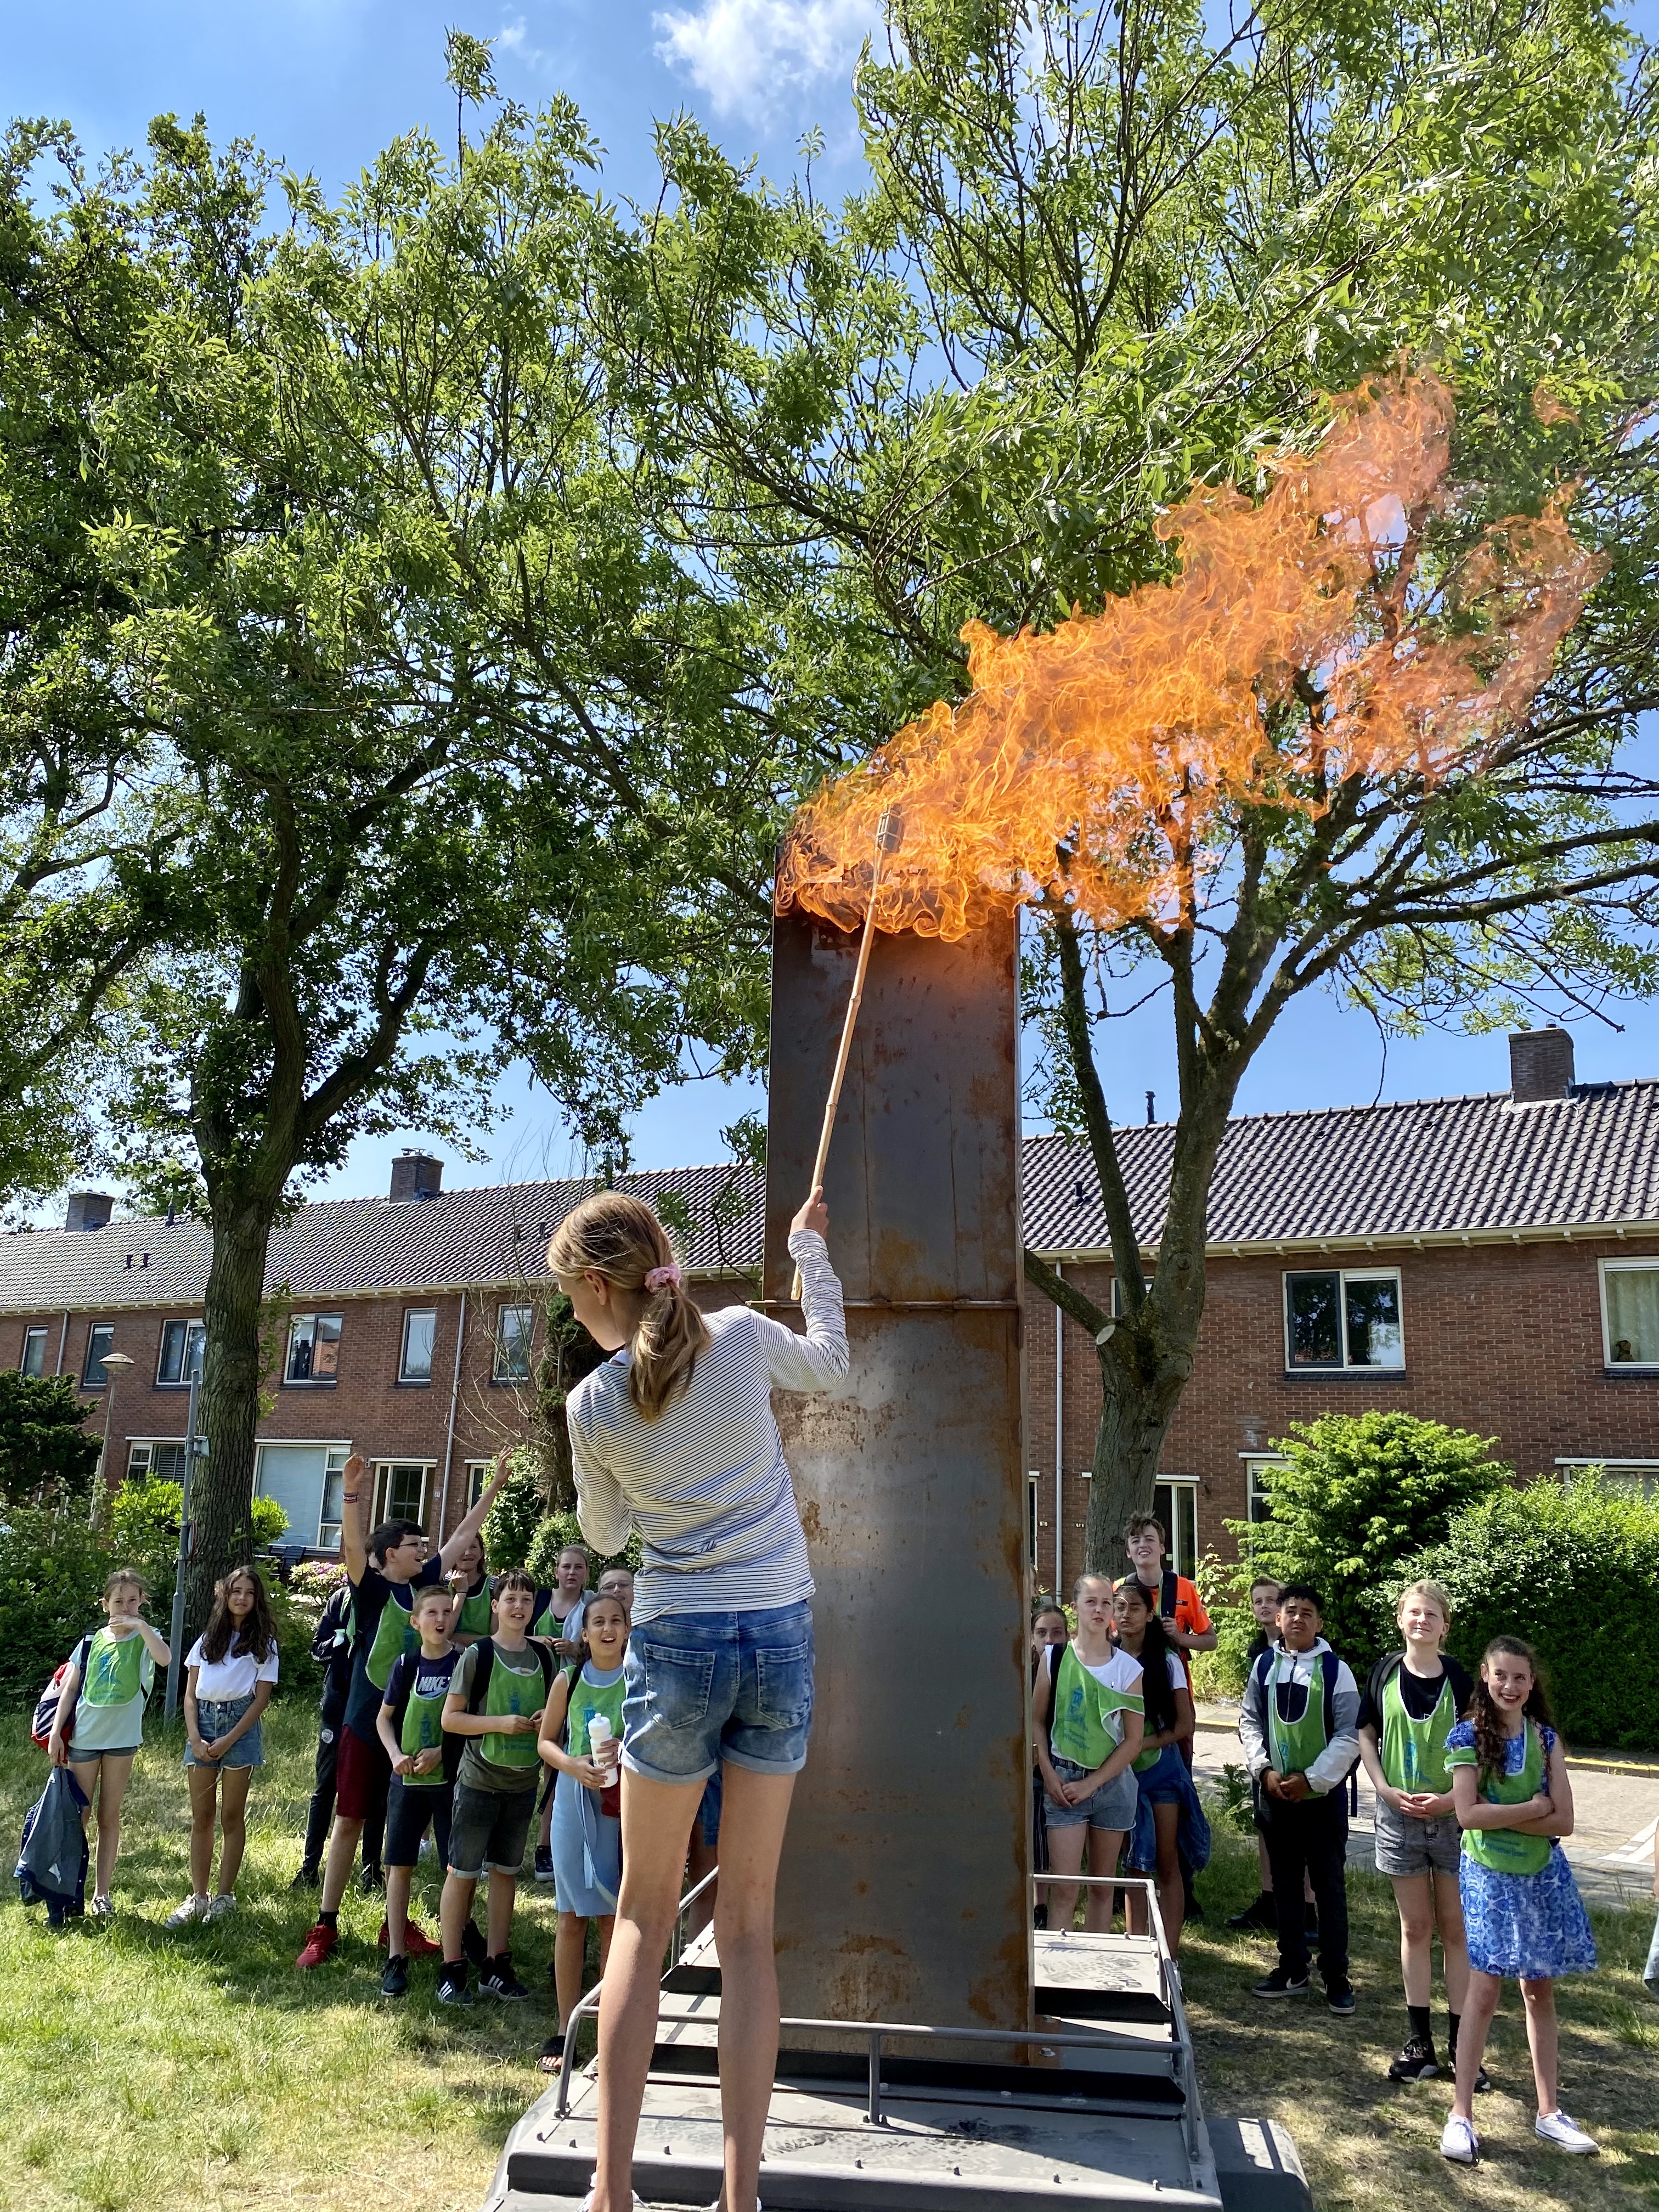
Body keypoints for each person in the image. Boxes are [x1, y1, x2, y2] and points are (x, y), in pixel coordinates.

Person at [548, 1183, 848, 2212]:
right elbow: (835, 1368)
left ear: (597, 1283)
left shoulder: (590, 1405)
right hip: (776, 1633)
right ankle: (737, 2197)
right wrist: (810, 1254)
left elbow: (597, 1538)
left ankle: (611, 2191)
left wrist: (611, 1467)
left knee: (640, 1916)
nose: (572, 1316)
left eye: (570, 1298)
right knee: (750, 1923)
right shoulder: (743, 1336)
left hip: (674, 1641)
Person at [294, 1449, 507, 1970]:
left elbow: (462, 1536)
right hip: (365, 1725)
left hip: (420, 1735)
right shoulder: (370, 1586)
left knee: (408, 1832)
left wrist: (495, 1486)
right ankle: (325, 1924)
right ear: (390, 1554)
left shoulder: (422, 1585)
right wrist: (350, 1493)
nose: (425, 1551)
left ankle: (401, 1924)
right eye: (414, 1546)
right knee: (348, 1821)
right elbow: (351, 1544)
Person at [1439, 1637, 1598, 2166]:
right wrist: (1533, 1807)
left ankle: (1549, 2112)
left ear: (1532, 1685)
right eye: (1501, 1676)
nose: (1510, 1686)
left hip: (1540, 1876)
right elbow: (1466, 1816)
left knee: (1538, 1991)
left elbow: (1566, 1822)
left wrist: (1502, 1809)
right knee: (1483, 1993)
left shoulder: (1546, 1738)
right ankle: (1460, 2113)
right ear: (1485, 1676)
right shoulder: (1465, 1737)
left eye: (1520, 1678)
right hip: (1488, 1875)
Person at [1357, 1580, 1478, 2085]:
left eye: (1432, 1614)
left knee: (1455, 1930)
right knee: (1414, 1929)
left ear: (1444, 1625)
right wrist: (1383, 1789)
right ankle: (1419, 2041)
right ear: (1400, 1620)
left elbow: (1480, 1744)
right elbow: (1366, 1733)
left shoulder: (1460, 1679)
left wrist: (1453, 1800)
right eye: (1414, 1612)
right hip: (1398, 1816)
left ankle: (1461, 2045)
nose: (1422, 1620)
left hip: (1451, 1819)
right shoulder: (1384, 1671)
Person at [1240, 1583, 1360, 2013]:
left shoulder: (1336, 1671)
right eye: (1291, 1610)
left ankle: (1336, 1977)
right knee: (1285, 1885)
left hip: (1321, 1800)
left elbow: (1350, 1735)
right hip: (1275, 1796)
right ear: (1278, 1619)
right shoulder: (1263, 1666)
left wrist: (1312, 1780)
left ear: (1319, 1623)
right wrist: (1265, 1772)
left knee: (1328, 1887)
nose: (1298, 1618)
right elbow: (1249, 1720)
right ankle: (1292, 1967)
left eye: (1308, 1612)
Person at [437, 1567, 554, 2005]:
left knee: (506, 1874)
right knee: (463, 1874)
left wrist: (548, 1721)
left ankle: (496, 1965)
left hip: (523, 1783)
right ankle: (452, 1969)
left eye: (526, 1600)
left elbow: (556, 1717)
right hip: (478, 1783)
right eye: (511, 1600)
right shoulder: (478, 1656)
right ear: (495, 1606)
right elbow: (452, 1719)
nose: (519, 1607)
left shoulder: (545, 1658)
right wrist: (500, 1724)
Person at [537, 1590, 630, 2071]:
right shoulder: (567, 1680)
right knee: (572, 1917)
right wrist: (573, 1766)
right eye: (598, 1622)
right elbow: (546, 1743)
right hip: (575, 1804)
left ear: (627, 1630)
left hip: (622, 1809)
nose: (608, 1629)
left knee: (613, 1920)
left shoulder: (640, 1680)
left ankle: (610, 2030)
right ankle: (564, 2028)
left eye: (617, 1621)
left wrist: (623, 1750)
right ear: (584, 1632)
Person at [46, 1568, 171, 1919]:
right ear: (105, 1604)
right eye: (119, 1601)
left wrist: (142, 1627)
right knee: (78, 1817)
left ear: (142, 1601)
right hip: (84, 1739)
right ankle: (69, 1892)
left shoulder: (149, 1637)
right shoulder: (90, 1642)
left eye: (133, 1600)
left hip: (122, 1741)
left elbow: (165, 1659)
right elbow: (70, 1689)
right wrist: (58, 1732)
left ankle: (103, 1895)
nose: (126, 1607)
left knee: (109, 1816)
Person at [167, 1566, 279, 1927]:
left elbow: (260, 1700)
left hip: (239, 1728)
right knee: (202, 1817)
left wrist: (229, 1739)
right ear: (224, 1595)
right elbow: (189, 1694)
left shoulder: (264, 1643)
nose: (242, 1597)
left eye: (249, 1592)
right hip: (202, 1724)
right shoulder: (207, 1640)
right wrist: (195, 1737)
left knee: (231, 1816)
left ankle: (224, 1896)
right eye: (235, 1591)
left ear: (256, 1598)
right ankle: (198, 1897)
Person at [1032, 1575, 1143, 1934]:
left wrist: (1093, 1784)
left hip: (1111, 1787)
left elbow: (1133, 1741)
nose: (1099, 1609)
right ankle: (1056, 1981)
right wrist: (1049, 1775)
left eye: (1106, 1603)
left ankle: (1093, 1986)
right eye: (1091, 1602)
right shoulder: (1055, 1658)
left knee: (1101, 1887)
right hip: (1063, 1782)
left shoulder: (1128, 1669)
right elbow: (1035, 1722)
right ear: (1076, 1607)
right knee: (1064, 1889)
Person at [1120, 1515, 1214, 1918]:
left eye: (1151, 1539)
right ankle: (1130, 1893)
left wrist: (1180, 1637)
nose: (1144, 1545)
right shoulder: (1119, 1591)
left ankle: (1181, 1888)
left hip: (1171, 1709)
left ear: (1163, 1548)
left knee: (1173, 1798)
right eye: (1136, 1540)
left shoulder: (1184, 1589)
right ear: (1129, 1550)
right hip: (1127, 1713)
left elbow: (1209, 1639)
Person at [375, 1580, 465, 1994]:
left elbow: (471, 1724)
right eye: (432, 1613)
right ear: (416, 1622)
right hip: (407, 1781)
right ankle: (396, 1955)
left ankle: (458, 1949)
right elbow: (384, 1718)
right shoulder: (406, 1664)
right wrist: (395, 1755)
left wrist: (441, 1753)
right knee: (399, 1866)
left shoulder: (464, 1662)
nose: (441, 1619)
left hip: (450, 1782)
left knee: (456, 1866)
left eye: (447, 1612)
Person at [1113, 1579, 1200, 1953]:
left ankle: (1170, 1956)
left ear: (1150, 1615)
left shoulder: (1166, 1661)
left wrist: (1141, 1744)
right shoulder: (1105, 1659)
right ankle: (1137, 1953)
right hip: (1120, 1773)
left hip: (1162, 1771)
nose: (1125, 1614)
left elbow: (1185, 1724)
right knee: (1135, 1864)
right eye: (1119, 1607)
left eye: (1134, 1607)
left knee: (1166, 1864)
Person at [1228, 1574, 1316, 1938]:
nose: (1264, 1607)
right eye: (1257, 1601)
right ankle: (1270, 1899)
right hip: (1263, 1754)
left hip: (1302, 1756)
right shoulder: (1256, 1652)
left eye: (1271, 1600)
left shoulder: (1307, 1647)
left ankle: (1308, 1907)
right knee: (1266, 1827)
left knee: (1307, 1834)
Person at [294, 1577, 385, 1891]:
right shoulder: (341, 1599)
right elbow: (316, 1650)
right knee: (325, 1786)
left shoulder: (392, 1598)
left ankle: (372, 1872)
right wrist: (340, 1643)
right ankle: (309, 1867)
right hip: (338, 1704)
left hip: (374, 1710)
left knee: (377, 1793)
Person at [532, 1545, 596, 1881]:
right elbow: (509, 1634)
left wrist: (576, 1649)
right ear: (556, 1571)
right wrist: (537, 1641)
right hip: (532, 1694)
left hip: (572, 1698)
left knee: (556, 1773)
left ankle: (547, 1847)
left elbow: (603, 1648)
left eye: (579, 1567)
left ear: (586, 1573)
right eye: (566, 1567)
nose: (572, 1573)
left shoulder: (593, 1607)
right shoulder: (538, 1600)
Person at [1029, 1598, 1070, 1925]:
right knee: (1031, 1834)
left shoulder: (1072, 1669)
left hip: (1061, 1764)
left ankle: (1044, 1906)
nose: (1049, 1640)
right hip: (1030, 1763)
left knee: (1050, 1837)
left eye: (1057, 1632)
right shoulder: (1021, 1671)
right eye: (1042, 1633)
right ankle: (1032, 1902)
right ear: (1031, 1637)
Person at [450, 1534, 494, 1647]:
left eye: (473, 1547)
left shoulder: (494, 1586)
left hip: (482, 1654)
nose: (467, 1552)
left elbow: (496, 1639)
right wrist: (461, 1592)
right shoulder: (442, 1584)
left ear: (481, 1553)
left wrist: (454, 1638)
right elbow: (443, 1633)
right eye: (462, 1547)